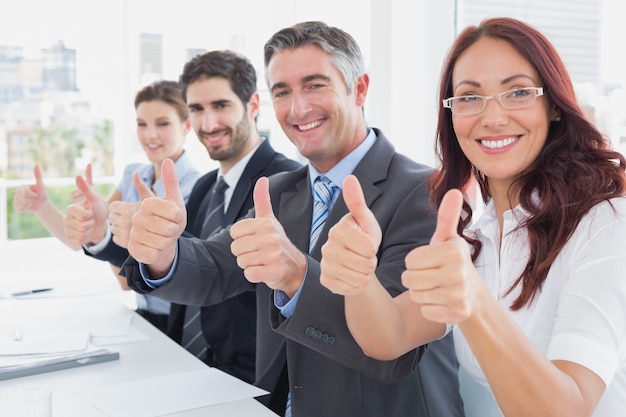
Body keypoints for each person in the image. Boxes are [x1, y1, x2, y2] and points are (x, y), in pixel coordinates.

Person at [121, 21, 464, 417]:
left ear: (360, 89)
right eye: (282, 92)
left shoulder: (425, 192)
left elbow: (391, 346)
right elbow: (216, 266)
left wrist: (297, 275)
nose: (298, 109)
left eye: (315, 85)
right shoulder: (282, 190)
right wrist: (163, 253)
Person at [320, 17, 626, 417]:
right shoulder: (478, 234)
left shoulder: (606, 221)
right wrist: (358, 277)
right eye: (469, 97)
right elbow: (388, 335)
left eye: (517, 92)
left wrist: (475, 303)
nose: (493, 117)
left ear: (553, 105)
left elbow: (566, 410)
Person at [66, 50, 301, 383]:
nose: (208, 124)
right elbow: (180, 263)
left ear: (252, 106)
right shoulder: (207, 186)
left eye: (220, 105)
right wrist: (103, 234)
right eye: (197, 109)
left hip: (246, 379)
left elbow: (217, 268)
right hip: (183, 361)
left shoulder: (287, 183)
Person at [63, 80, 201, 332]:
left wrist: (110, 230)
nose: (150, 135)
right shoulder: (132, 175)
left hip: (177, 322)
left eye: (163, 123)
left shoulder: (198, 187)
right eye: (141, 124)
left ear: (187, 126)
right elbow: (92, 237)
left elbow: (128, 278)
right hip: (141, 314)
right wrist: (91, 219)